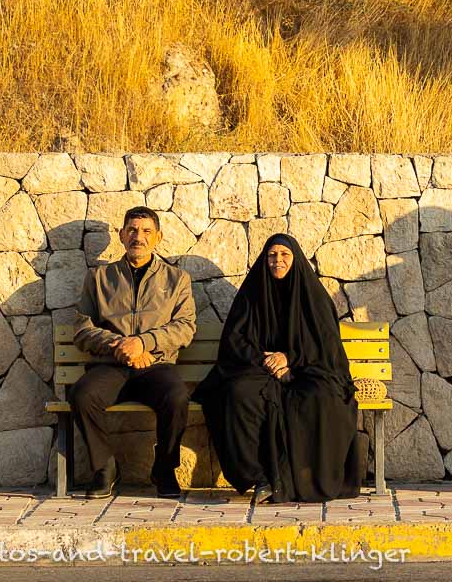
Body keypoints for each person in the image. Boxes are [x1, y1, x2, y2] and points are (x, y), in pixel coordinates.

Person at [193, 233, 364, 504]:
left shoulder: (313, 296)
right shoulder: (252, 294)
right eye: (272, 255)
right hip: (259, 367)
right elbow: (235, 340)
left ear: (295, 259)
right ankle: (262, 478)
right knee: (238, 394)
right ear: (264, 259)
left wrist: (290, 358)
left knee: (320, 398)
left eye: (284, 255)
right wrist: (268, 361)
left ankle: (306, 480)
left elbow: (326, 343)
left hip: (310, 369)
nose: (277, 260)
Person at [72, 206, 196, 499]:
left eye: (146, 231)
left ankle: (164, 469)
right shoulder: (100, 278)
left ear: (158, 237)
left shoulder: (177, 280)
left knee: (177, 396)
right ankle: (104, 468)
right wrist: (120, 346)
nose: (138, 237)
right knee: (82, 395)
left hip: (155, 366)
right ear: (121, 235)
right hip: (112, 366)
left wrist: (144, 343)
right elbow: (82, 328)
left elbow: (185, 327)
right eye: (132, 230)